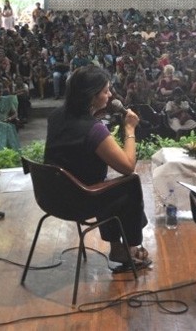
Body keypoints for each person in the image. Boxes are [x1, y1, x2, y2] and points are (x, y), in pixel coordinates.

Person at [44, 65, 151, 271]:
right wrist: (129, 129)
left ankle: (118, 247)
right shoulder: (93, 129)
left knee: (107, 186)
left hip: (51, 197)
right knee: (131, 183)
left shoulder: (56, 116)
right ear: (91, 96)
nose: (110, 95)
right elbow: (128, 166)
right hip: (81, 201)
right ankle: (129, 248)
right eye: (105, 91)